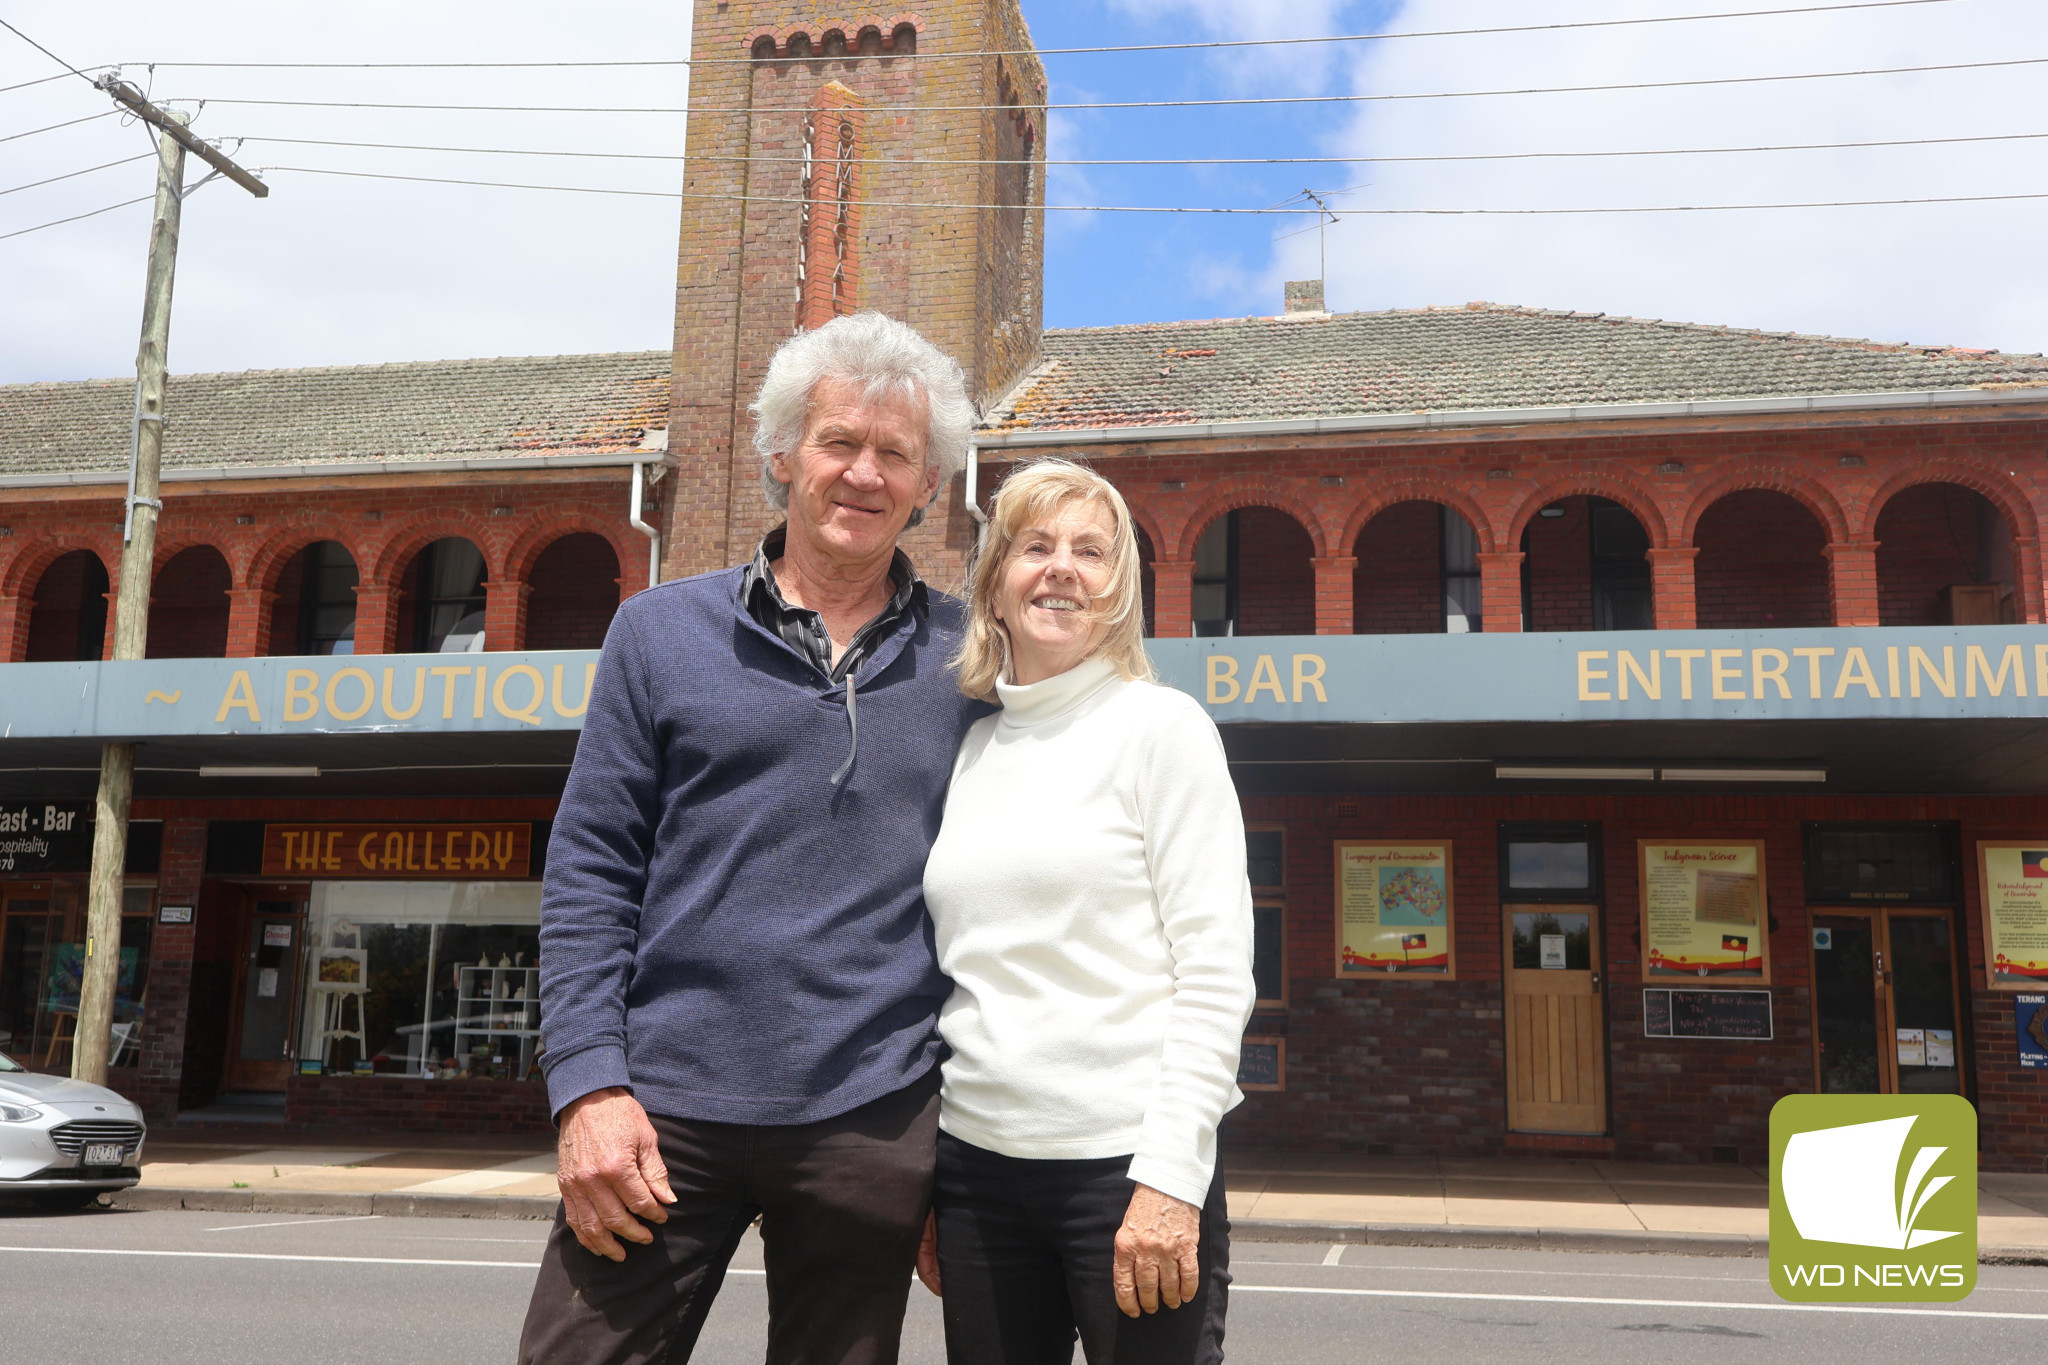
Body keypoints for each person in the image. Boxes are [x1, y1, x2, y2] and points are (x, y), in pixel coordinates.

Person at [520, 311, 991, 1364]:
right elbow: (590, 874)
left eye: (895, 455)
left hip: (872, 1110)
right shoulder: (657, 632)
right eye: (839, 443)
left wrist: (958, 1154)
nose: (863, 474)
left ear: (928, 485)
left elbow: (1002, 908)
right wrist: (589, 1086)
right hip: (661, 1107)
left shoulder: (972, 660)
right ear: (782, 455)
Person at [920, 459, 1256, 1362]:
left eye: (1089, 551)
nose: (1060, 567)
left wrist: (1172, 1178)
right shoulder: (971, 747)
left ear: (1119, 590)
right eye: (1034, 546)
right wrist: (929, 1182)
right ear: (994, 582)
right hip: (977, 1173)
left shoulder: (1163, 729)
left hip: (1125, 1172)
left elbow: (1216, 972)